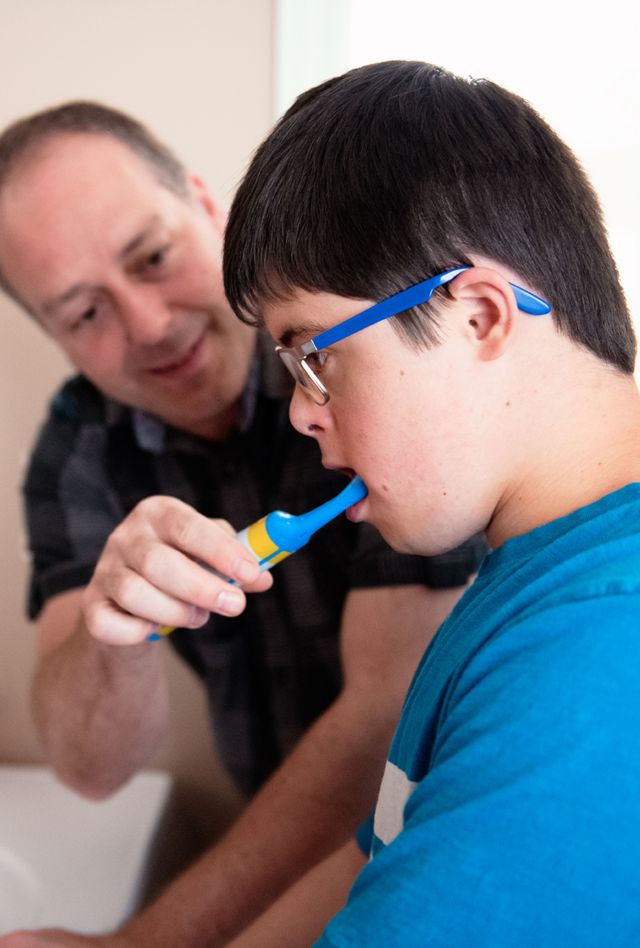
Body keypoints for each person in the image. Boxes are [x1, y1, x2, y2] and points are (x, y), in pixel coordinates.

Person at [0, 102, 484, 947]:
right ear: (50, 335)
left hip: (443, 838)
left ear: (203, 202)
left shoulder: (368, 360)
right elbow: (89, 768)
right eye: (84, 315)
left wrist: (146, 943)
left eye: (152, 257)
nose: (149, 326)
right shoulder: (77, 452)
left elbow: (386, 715)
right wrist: (118, 632)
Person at [222, 60, 640, 945]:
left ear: (479, 317)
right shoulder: (534, 568)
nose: (301, 408)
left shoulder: (593, 655)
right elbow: (383, 852)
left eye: (312, 352)